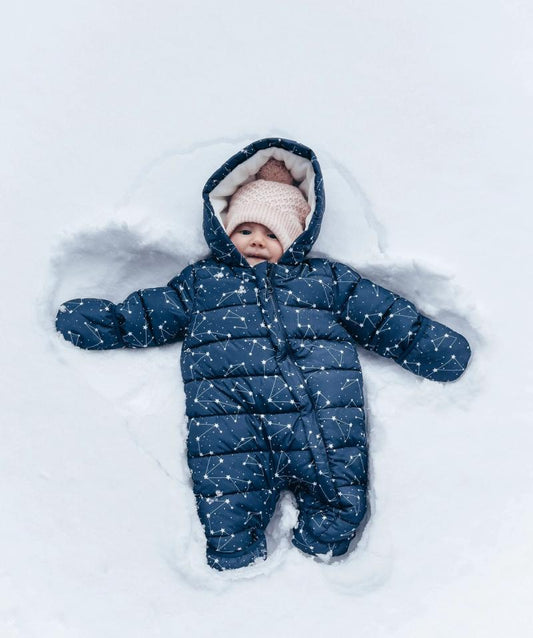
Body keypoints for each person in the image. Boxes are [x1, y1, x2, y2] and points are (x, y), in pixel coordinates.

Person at [56, 138, 471, 570]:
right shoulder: (204, 283)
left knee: (338, 494)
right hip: (232, 427)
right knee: (229, 504)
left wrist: (429, 346)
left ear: (294, 238)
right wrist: (105, 323)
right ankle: (236, 568)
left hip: (319, 419)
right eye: (245, 230)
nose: (256, 241)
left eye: (271, 233)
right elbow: (149, 314)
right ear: (224, 230)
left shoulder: (324, 280)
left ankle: (323, 555)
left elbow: (382, 317)